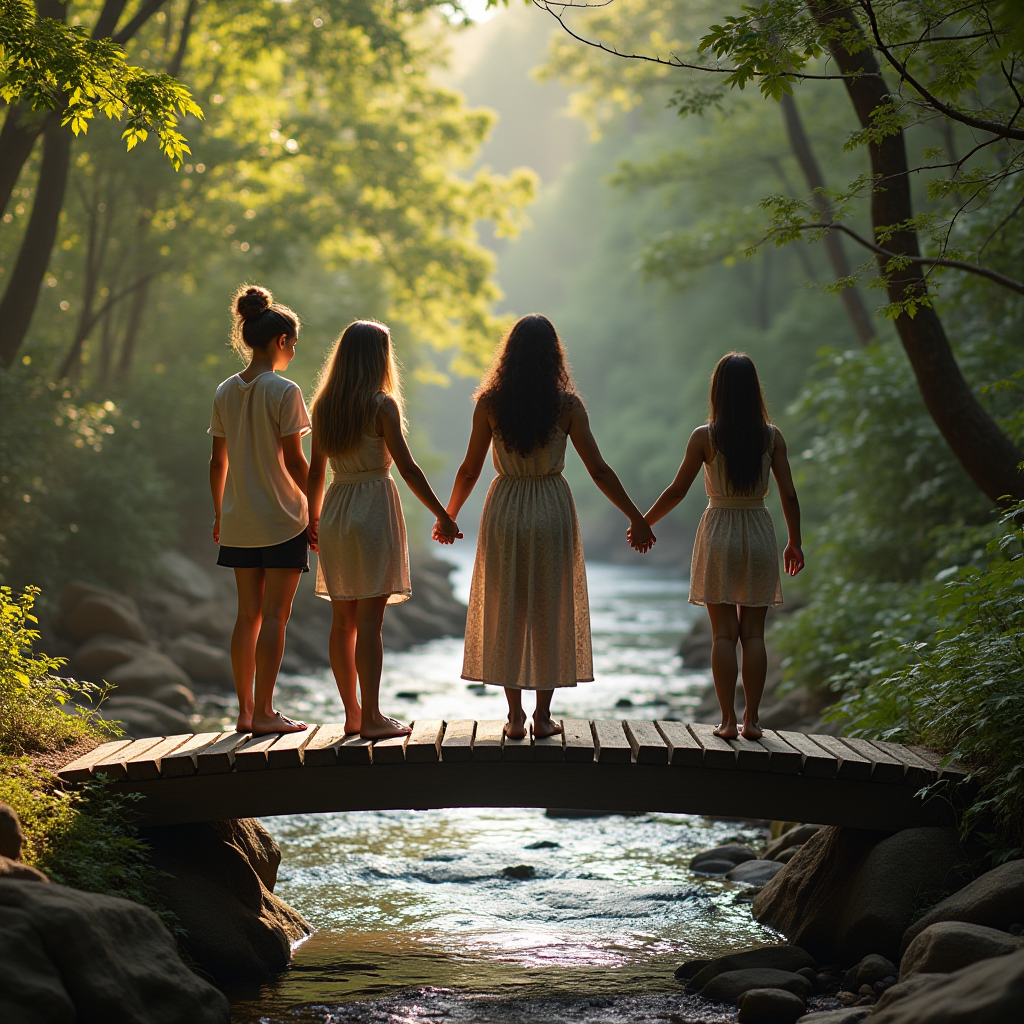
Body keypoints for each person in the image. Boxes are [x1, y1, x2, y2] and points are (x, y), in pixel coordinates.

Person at [437, 314, 654, 740]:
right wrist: (636, 517)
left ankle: (514, 717)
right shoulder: (567, 406)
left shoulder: (489, 403)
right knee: (549, 608)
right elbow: (600, 471)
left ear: (509, 355)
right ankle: (542, 717)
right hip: (551, 509)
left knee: (508, 608)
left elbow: (468, 470)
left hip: (505, 508)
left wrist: (449, 515)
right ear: (554, 355)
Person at [307, 320, 460, 739]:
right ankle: (373, 718)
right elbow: (408, 468)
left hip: (337, 508)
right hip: (374, 507)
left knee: (343, 623)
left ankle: (352, 714)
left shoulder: (324, 406)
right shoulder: (381, 405)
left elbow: (316, 472)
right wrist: (442, 514)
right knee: (370, 623)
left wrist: (312, 518)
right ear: (380, 357)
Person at [644, 352, 803, 741]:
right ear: (754, 392)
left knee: (722, 636)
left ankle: (728, 722)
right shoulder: (772, 437)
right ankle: (752, 721)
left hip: (718, 531)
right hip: (759, 529)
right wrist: (794, 542)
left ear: (717, 391)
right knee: (754, 635)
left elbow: (677, 491)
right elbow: (789, 495)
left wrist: (644, 522)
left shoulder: (705, 437)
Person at [209, 285, 310, 736]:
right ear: (281, 342)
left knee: (246, 615)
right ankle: (267, 712)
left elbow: (217, 461)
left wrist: (219, 513)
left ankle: (245, 712)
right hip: (283, 518)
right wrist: (317, 510)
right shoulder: (284, 390)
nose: (293, 351)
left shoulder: (225, 390)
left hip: (238, 520)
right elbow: (294, 461)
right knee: (275, 616)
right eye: (293, 343)